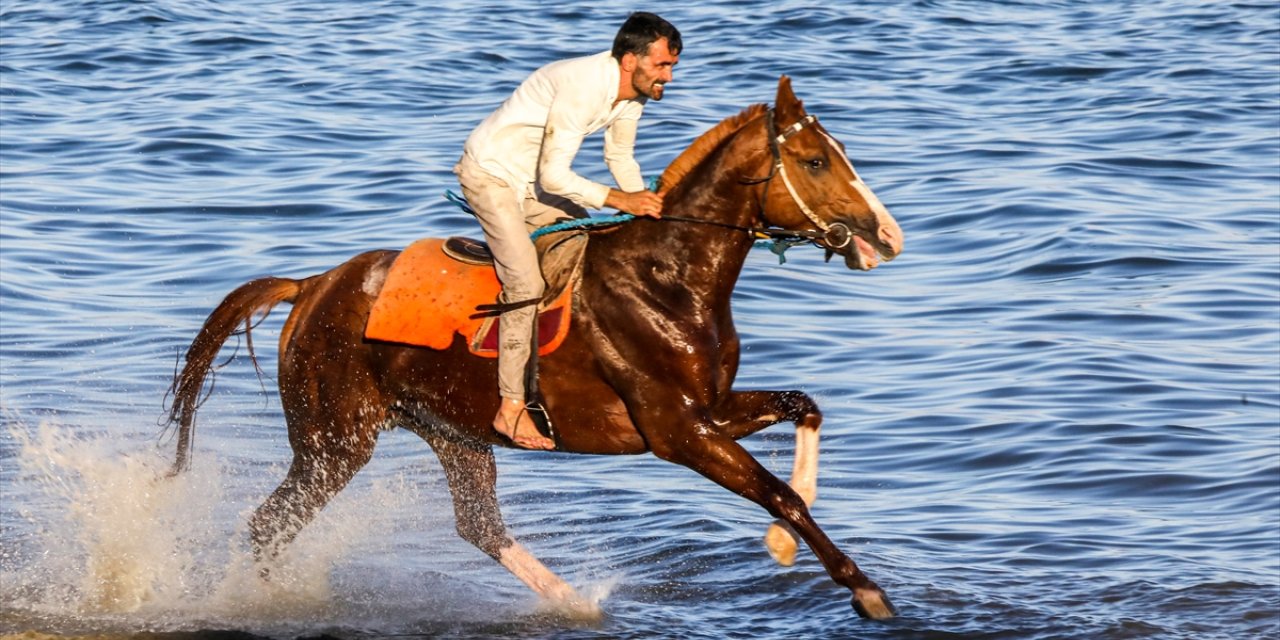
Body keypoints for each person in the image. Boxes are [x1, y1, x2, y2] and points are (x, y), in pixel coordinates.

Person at [454, 12, 681, 449]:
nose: (668, 78)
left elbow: (620, 159)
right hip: (492, 176)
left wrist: (646, 212)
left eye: (672, 67)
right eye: (662, 66)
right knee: (524, 281)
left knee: (592, 241)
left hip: (531, 184)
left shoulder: (634, 95)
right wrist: (620, 200)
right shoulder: (584, 86)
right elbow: (557, 177)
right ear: (630, 61)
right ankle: (511, 407)